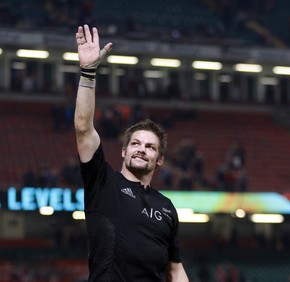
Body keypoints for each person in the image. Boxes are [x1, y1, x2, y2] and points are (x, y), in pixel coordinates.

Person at [74, 24, 189, 282]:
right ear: (124, 150)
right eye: (136, 144)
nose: (141, 150)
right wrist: (88, 73)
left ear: (159, 160)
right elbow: (83, 128)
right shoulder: (103, 183)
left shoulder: (167, 208)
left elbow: (175, 270)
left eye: (150, 147)